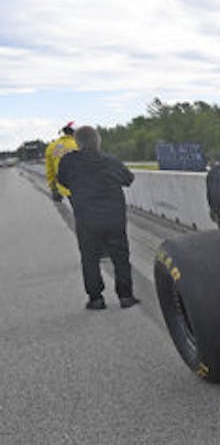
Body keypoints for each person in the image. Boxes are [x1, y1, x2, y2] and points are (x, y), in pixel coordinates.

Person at [55, 126, 138, 310]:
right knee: (121, 257)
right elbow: (129, 179)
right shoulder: (111, 161)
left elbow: (62, 181)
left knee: (89, 258)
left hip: (86, 219)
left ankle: (96, 299)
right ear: (98, 141)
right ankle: (126, 296)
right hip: (114, 218)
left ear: (78, 142)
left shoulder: (68, 162)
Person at [45, 122, 78, 203]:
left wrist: (54, 189)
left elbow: (50, 171)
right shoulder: (80, 144)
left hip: (65, 187)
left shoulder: (52, 146)